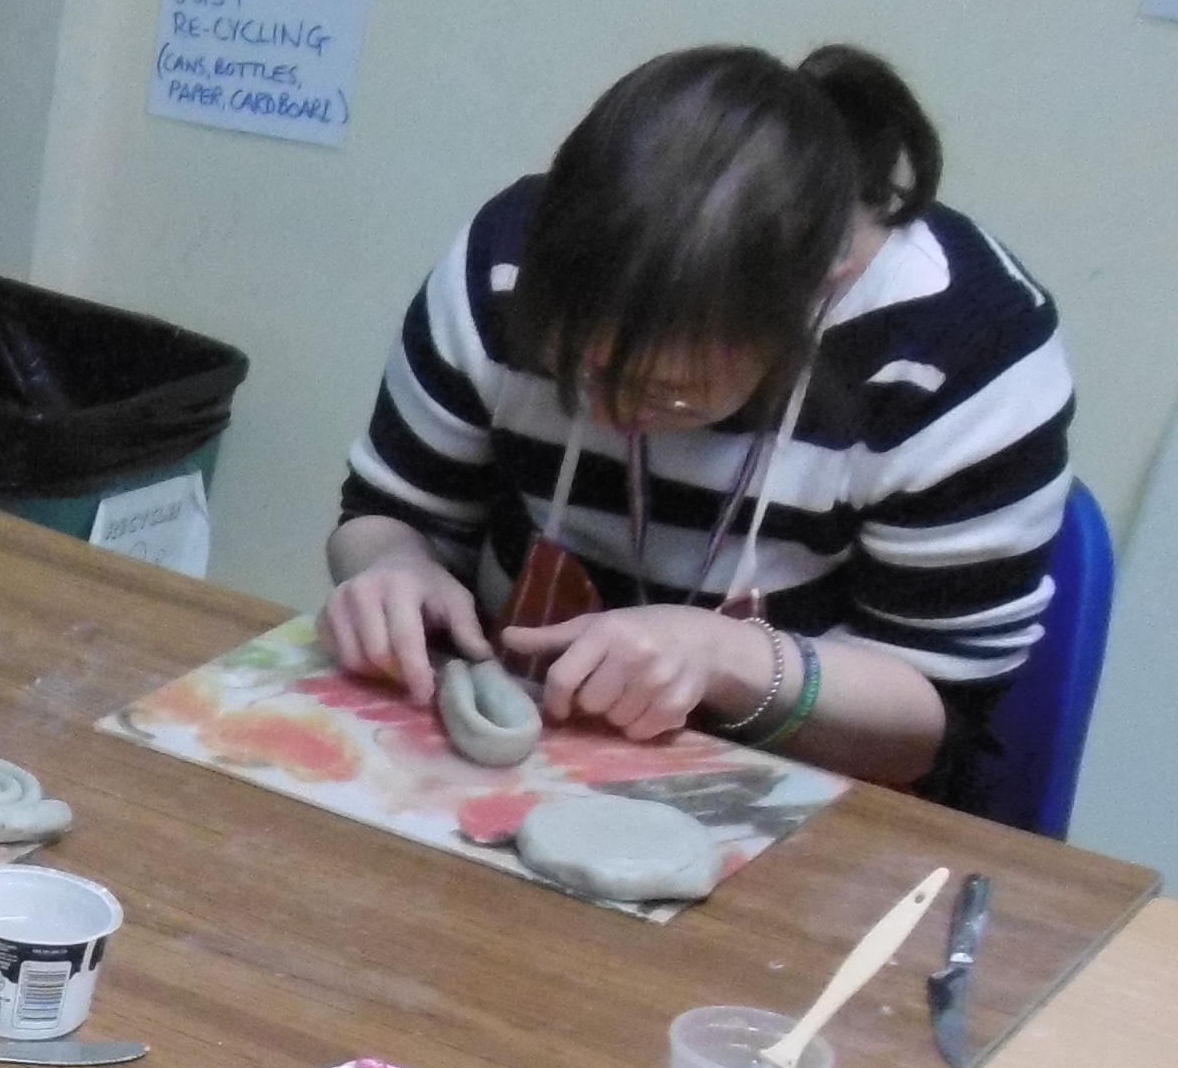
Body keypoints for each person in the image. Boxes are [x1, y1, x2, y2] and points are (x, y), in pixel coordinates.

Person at [323, 43, 1072, 806]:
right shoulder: (503, 263)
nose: (613, 416)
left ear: (821, 291)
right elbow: (387, 511)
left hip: (809, 791)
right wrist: (389, 568)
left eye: (670, 394)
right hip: (505, 754)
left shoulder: (968, 348)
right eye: (574, 372)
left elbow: (932, 723)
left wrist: (725, 658)